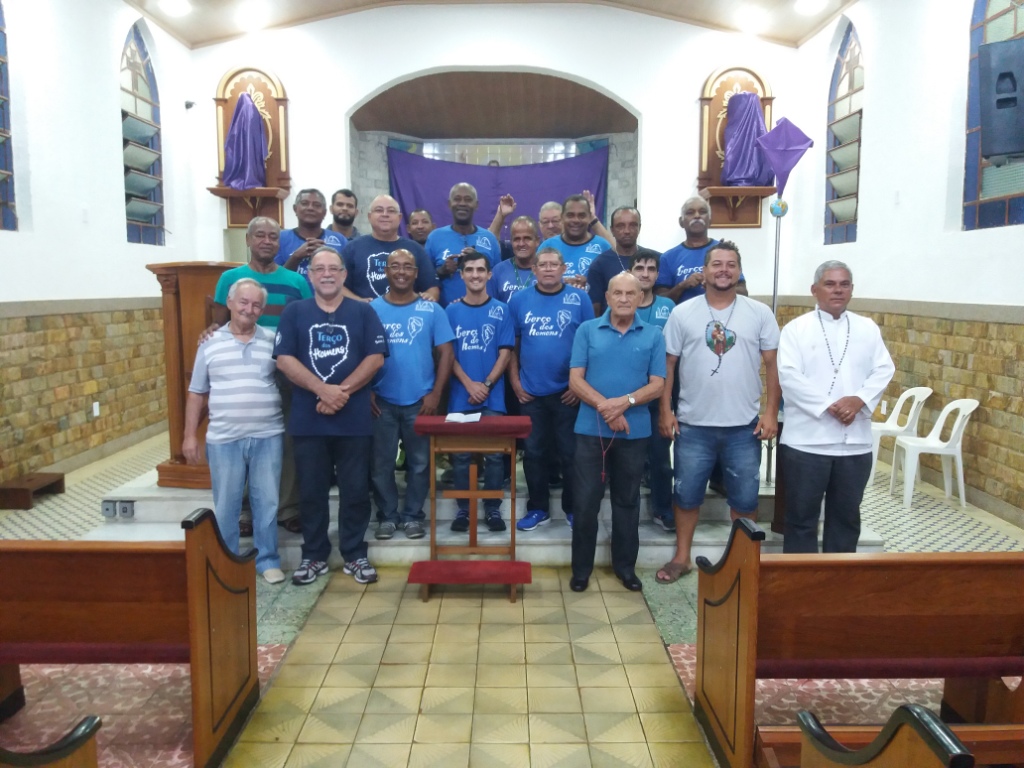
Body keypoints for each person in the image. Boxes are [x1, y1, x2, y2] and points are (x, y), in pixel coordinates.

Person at [656, 241, 780, 583]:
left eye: (731, 264)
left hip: (743, 427)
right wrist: (665, 411)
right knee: (686, 495)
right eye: (716, 264)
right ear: (705, 271)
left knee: (744, 498)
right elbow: (668, 365)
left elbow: (772, 366)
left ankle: (740, 560)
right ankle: (681, 557)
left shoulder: (759, 313)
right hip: (693, 426)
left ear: (739, 271)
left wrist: (770, 413)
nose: (723, 270)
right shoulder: (684, 313)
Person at [274, 247, 388, 585]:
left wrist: (341, 392)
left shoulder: (363, 313)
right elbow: (284, 359)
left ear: (343, 275)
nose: (326, 273)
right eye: (319, 268)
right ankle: (314, 556)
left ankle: (354, 554)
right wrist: (323, 390)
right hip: (309, 420)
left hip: (353, 420)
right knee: (311, 490)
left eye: (333, 268)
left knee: (355, 490)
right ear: (309, 275)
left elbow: (376, 357)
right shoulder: (295, 312)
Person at [778, 260, 894, 553]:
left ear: (852, 290)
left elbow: (884, 369)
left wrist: (859, 400)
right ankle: (801, 586)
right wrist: (830, 405)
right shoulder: (796, 329)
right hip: (807, 444)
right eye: (830, 284)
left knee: (846, 520)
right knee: (801, 520)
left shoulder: (867, 328)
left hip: (854, 445)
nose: (838, 290)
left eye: (844, 284)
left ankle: (836, 588)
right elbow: (789, 376)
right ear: (814, 289)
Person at [207, 217, 312, 536]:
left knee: (287, 438)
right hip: (242, 370)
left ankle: (287, 507)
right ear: (248, 241)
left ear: (280, 244)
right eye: (260, 235)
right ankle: (243, 510)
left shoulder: (295, 281)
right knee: (243, 437)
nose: (267, 241)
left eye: (273, 237)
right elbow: (215, 325)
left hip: (286, 368)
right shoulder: (230, 278)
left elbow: (305, 325)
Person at [183, 278, 286, 584]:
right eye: (243, 302)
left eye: (256, 304)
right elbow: (196, 392)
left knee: (266, 502)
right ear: (229, 303)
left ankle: (267, 559)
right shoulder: (209, 343)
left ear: (262, 309)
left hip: (268, 434)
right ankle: (227, 562)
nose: (249, 309)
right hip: (224, 438)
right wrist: (190, 435)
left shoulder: (272, 340)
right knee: (226, 505)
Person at [568, 273, 665, 592]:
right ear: (607, 297)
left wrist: (624, 403)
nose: (624, 299)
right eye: (617, 293)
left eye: (630, 293)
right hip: (589, 431)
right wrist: (606, 408)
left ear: (640, 297)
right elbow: (575, 380)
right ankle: (581, 570)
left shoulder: (653, 334)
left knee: (627, 502)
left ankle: (626, 568)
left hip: (635, 434)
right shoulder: (587, 330)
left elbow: (658, 384)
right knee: (585, 503)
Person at [369, 249, 454, 540]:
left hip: (421, 401)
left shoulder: (432, 310)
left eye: (408, 267)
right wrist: (366, 391)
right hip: (381, 401)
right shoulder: (372, 309)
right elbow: (362, 354)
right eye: (395, 266)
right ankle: (388, 516)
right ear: (387, 272)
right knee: (381, 464)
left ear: (416, 273)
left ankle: (413, 516)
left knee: (420, 463)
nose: (401, 271)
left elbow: (446, 353)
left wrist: (435, 394)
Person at [508, 247, 595, 531]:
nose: (547, 269)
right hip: (531, 393)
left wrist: (579, 386)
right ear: (533, 269)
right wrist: (516, 383)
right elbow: (513, 347)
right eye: (541, 264)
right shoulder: (519, 301)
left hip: (568, 393)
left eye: (553, 264)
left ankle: (571, 508)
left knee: (571, 454)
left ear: (562, 268)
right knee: (534, 454)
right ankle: (538, 509)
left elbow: (589, 346)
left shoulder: (579, 299)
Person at [445, 250, 515, 532]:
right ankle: (464, 509)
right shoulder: (451, 311)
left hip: (492, 395)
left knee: (495, 455)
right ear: (461, 275)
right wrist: (469, 384)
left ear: (489, 275)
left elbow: (505, 351)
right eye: (469, 270)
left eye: (480, 270)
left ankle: (493, 509)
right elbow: (448, 355)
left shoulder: (502, 309)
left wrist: (485, 385)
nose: (475, 275)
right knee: (461, 455)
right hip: (461, 395)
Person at [629, 253, 676, 533]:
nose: (644, 273)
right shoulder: (621, 303)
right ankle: (626, 509)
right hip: (628, 394)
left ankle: (662, 508)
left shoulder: (669, 307)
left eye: (650, 269)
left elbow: (674, 354)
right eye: (639, 267)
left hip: (660, 393)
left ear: (657, 275)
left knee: (660, 458)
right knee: (628, 458)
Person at [340, 194, 439, 302]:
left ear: (400, 218)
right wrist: (359, 303)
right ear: (369, 216)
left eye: (391, 211)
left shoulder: (416, 250)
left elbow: (432, 288)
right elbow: (338, 286)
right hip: (363, 316)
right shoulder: (352, 249)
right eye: (379, 210)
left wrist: (426, 301)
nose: (385, 215)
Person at [655, 196, 747, 304]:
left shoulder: (724, 252)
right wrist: (683, 285)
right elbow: (660, 303)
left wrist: (715, 285)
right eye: (690, 212)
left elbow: (743, 292)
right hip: (683, 319)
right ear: (681, 222)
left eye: (702, 212)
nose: (697, 216)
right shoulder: (668, 257)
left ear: (710, 220)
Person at [426, 182, 501, 306]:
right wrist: (441, 271)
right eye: (457, 199)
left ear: (476, 205)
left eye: (468, 200)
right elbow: (424, 280)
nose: (462, 203)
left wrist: (479, 261)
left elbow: (498, 279)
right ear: (449, 204)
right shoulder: (435, 238)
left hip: (484, 315)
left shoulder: (489, 239)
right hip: (446, 316)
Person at [587, 206, 661, 315]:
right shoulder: (599, 264)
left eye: (632, 225)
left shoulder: (655, 259)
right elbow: (595, 310)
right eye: (620, 226)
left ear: (639, 228)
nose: (626, 231)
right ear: (612, 230)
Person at [274, 188, 348, 284]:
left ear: (324, 212)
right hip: (290, 298)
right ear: (295, 209)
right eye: (304, 203)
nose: (310, 208)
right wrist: (296, 256)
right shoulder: (280, 238)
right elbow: (275, 279)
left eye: (316, 205)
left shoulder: (340, 240)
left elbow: (347, 279)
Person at [538, 193, 611, 283]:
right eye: (570, 215)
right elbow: (536, 282)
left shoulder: (603, 246)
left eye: (581, 216)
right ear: (562, 218)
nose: (576, 220)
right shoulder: (547, 246)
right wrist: (560, 286)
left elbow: (613, 282)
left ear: (589, 217)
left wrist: (590, 284)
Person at [487, 215, 538, 303]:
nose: (521, 244)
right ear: (511, 242)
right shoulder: (498, 271)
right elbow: (489, 307)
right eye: (517, 239)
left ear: (537, 241)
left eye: (527, 238)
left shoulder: (546, 270)